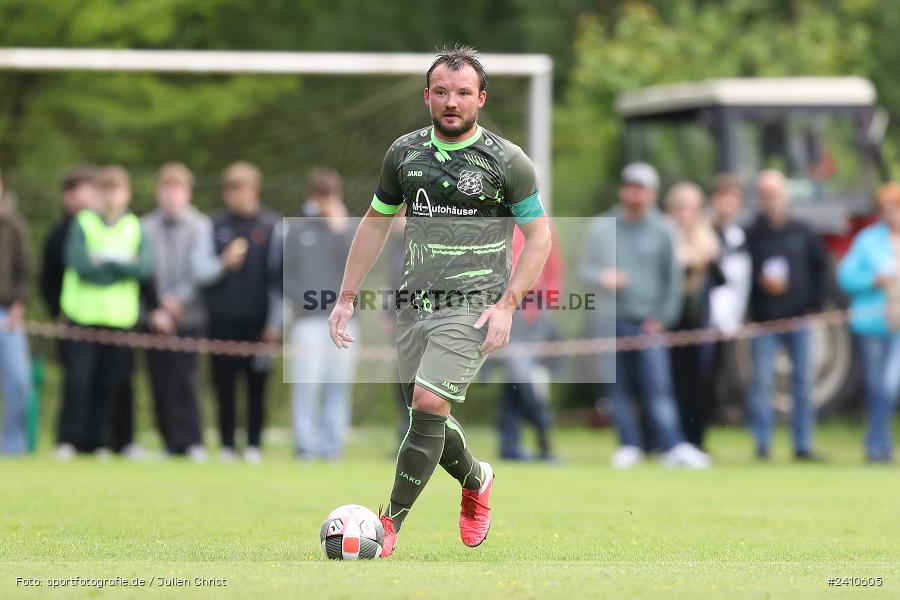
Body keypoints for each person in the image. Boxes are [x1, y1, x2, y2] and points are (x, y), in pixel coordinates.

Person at [327, 46, 551, 557]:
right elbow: (375, 224)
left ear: (481, 99)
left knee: (429, 404)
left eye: (464, 93)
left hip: (472, 305)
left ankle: (388, 527)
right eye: (443, 92)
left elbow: (539, 239)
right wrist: (345, 298)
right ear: (427, 96)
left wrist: (507, 305)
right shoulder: (403, 154)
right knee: (425, 415)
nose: (453, 102)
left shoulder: (507, 160)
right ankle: (476, 480)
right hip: (413, 306)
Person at [579, 162, 710, 470]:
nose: (636, 195)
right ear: (623, 190)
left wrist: (663, 318)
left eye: (643, 190)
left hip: (648, 322)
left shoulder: (664, 230)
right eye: (632, 188)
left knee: (658, 387)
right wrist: (602, 276)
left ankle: (670, 445)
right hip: (610, 320)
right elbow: (583, 269)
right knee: (618, 389)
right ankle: (629, 445)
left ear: (653, 194)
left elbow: (673, 281)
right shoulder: (602, 227)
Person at [58, 165, 153, 458]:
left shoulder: (134, 225)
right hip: (81, 316)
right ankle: (69, 441)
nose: (111, 196)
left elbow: (142, 268)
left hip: (119, 318)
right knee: (77, 381)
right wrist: (121, 264)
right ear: (97, 194)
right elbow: (80, 265)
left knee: (110, 384)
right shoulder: (83, 222)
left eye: (117, 189)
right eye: (106, 190)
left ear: (127, 194)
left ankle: (100, 442)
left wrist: (106, 262)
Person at [197, 161, 282, 464]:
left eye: (240, 189)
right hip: (222, 321)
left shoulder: (272, 226)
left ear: (254, 191)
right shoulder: (214, 224)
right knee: (223, 385)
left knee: (257, 386)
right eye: (229, 190)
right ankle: (227, 446)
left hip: (259, 322)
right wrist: (223, 263)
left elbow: (279, 280)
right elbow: (200, 272)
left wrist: (275, 322)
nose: (233, 196)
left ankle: (255, 445)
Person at [745, 169, 829, 461]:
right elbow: (738, 273)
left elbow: (822, 269)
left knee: (804, 386)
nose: (770, 201)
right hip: (764, 322)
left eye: (775, 194)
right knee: (762, 384)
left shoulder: (803, 231)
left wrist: (812, 307)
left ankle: (802, 445)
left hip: (799, 320)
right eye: (764, 195)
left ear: (785, 195)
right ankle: (762, 445)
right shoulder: (751, 233)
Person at [283, 168, 356, 460]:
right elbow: (286, 275)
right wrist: (307, 301)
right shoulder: (298, 229)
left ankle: (331, 445)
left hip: (345, 321)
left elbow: (360, 266)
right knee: (306, 384)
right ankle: (305, 445)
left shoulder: (347, 229)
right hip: (308, 320)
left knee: (339, 382)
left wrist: (341, 231)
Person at [140, 163, 209, 461]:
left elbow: (198, 270)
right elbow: (143, 272)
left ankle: (192, 440)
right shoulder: (143, 226)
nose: (171, 195)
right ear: (158, 192)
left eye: (177, 189)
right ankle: (169, 441)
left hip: (188, 317)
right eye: (166, 189)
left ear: (187, 193)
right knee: (158, 381)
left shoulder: (200, 225)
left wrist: (177, 303)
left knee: (186, 380)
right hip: (153, 318)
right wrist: (157, 307)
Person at [837, 182, 900, 463]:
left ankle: (879, 442)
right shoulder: (868, 240)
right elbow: (845, 277)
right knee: (877, 387)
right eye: (886, 209)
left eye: (895, 208)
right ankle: (877, 446)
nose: (891, 214)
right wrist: (873, 280)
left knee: (890, 386)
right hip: (873, 323)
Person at [497, 224, 563, 461]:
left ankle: (509, 443)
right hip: (507, 310)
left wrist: (545, 312)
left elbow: (553, 272)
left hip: (535, 315)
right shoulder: (498, 225)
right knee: (522, 378)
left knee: (517, 380)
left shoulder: (543, 227)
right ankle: (542, 431)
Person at [665, 182, 721, 450]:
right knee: (669, 383)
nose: (687, 213)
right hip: (669, 324)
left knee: (699, 384)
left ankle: (696, 440)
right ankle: (670, 441)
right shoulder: (664, 237)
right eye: (682, 206)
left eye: (692, 207)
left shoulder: (709, 239)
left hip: (699, 323)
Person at [0, 169, 31, 456]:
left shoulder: (14, 225)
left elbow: (25, 270)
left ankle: (11, 447)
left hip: (6, 314)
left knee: (19, 381)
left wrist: (18, 307)